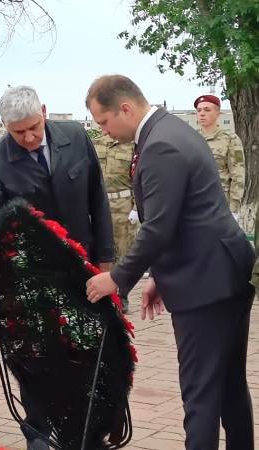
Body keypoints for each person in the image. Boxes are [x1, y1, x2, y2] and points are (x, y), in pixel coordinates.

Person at [85, 75, 255, 450]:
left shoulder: (160, 145)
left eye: (104, 121)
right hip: (221, 268)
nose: (105, 132)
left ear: (125, 108)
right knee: (227, 383)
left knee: (200, 393)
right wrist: (160, 276)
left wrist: (117, 278)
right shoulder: (169, 129)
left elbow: (159, 226)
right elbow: (183, 216)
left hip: (206, 282)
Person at [0, 86, 114, 449]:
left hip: (83, 268)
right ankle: (37, 430)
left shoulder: (76, 137)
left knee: (85, 349)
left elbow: (98, 198)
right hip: (31, 274)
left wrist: (106, 262)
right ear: (5, 126)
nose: (29, 137)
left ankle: (85, 428)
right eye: (18, 132)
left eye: (34, 127)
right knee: (35, 352)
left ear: (44, 112)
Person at [93, 135, 137, 313]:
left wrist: (137, 207)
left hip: (124, 204)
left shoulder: (132, 145)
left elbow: (138, 177)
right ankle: (103, 294)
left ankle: (122, 295)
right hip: (101, 204)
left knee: (124, 252)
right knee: (103, 252)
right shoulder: (96, 143)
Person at [194, 94, 245, 218]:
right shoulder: (191, 138)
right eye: (199, 110)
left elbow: (238, 175)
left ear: (218, 114)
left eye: (207, 110)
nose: (201, 113)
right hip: (194, 202)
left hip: (220, 204)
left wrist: (234, 209)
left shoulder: (230, 139)